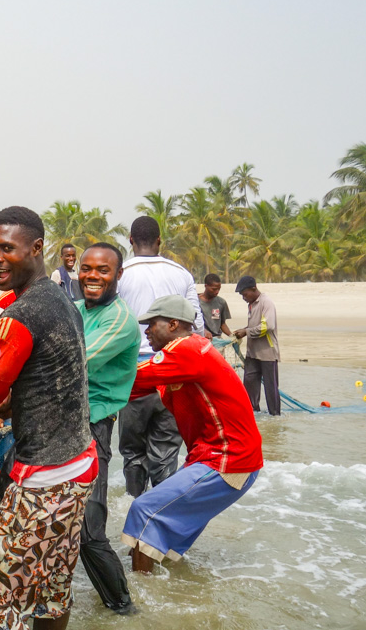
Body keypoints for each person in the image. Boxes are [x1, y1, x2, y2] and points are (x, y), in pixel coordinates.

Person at [0, 206, 96, 630]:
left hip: (44, 474)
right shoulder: (61, 299)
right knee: (50, 590)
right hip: (80, 462)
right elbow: (50, 373)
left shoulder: (18, 315)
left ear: (37, 249)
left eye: (8, 249)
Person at [122, 295, 263, 573]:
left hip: (226, 460)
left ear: (174, 324)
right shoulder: (184, 356)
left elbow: (131, 377)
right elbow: (132, 389)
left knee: (144, 511)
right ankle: (171, 597)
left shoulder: (186, 348)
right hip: (223, 460)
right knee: (164, 540)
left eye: (152, 324)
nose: (147, 331)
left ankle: (137, 602)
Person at [114, 216, 204, 497]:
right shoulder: (182, 274)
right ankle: (161, 514)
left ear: (130, 241)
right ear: (159, 241)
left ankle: (134, 510)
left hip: (133, 374)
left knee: (132, 451)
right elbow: (197, 325)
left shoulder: (118, 273)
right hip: (174, 372)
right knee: (165, 452)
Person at [74, 244, 138, 615]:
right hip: (58, 420)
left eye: (103, 270)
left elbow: (74, 361)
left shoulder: (119, 319)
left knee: (88, 530)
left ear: (118, 275)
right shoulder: (78, 310)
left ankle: (124, 611)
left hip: (92, 427)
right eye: (86, 269)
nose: (92, 276)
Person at [233, 275, 280, 416]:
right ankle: (252, 414)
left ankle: (275, 416)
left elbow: (268, 326)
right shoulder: (251, 304)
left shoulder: (266, 302)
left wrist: (246, 331)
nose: (244, 298)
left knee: (271, 388)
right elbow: (255, 325)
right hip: (252, 353)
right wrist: (243, 330)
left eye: (245, 294)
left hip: (267, 354)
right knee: (249, 386)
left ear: (253, 289)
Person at [198, 273, 233, 340]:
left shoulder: (221, 302)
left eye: (219, 289)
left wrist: (231, 335)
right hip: (201, 339)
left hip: (217, 340)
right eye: (214, 289)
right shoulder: (195, 302)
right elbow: (191, 322)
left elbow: (222, 324)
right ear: (206, 286)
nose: (217, 292)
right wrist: (204, 331)